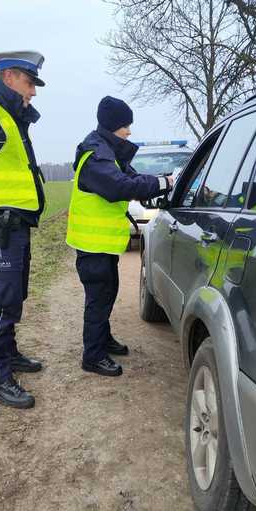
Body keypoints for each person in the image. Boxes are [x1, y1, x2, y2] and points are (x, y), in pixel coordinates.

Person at [66, 95, 173, 377]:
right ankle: (93, 356)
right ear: (114, 125)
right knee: (98, 298)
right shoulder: (97, 155)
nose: (129, 131)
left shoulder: (106, 152)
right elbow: (119, 186)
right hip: (92, 245)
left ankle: (103, 339)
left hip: (102, 244)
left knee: (107, 292)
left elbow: (131, 179)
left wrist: (160, 184)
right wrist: (164, 182)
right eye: (126, 125)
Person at [0, 51, 46, 409]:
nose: (33, 92)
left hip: (15, 224)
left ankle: (9, 354)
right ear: (9, 77)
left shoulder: (12, 119)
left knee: (14, 296)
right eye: (30, 83)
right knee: (2, 301)